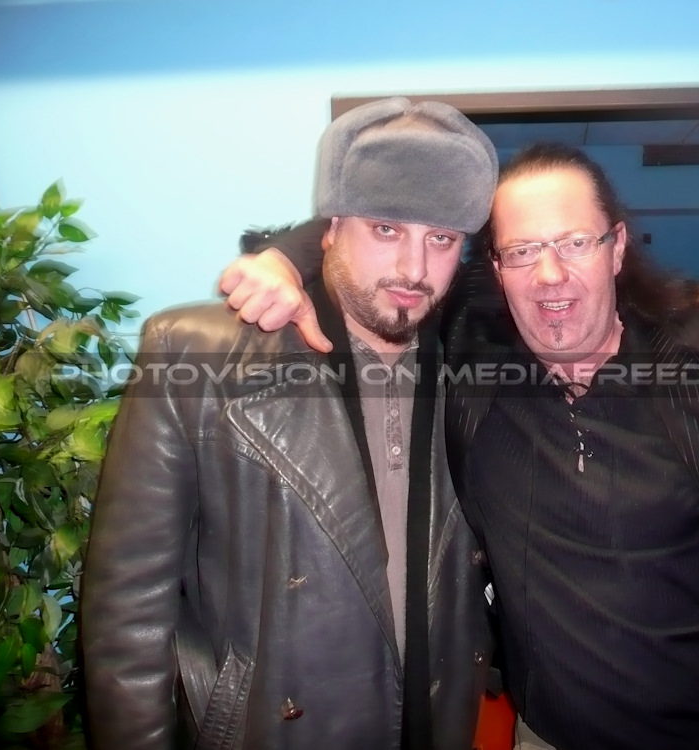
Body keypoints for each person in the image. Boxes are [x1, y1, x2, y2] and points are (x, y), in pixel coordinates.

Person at [220, 143, 699, 750]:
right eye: (522, 250)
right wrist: (285, 256)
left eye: (574, 243)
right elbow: (388, 252)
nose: (549, 273)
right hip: (550, 736)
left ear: (617, 247)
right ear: (496, 268)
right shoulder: (476, 368)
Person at [81, 97, 499, 750]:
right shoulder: (197, 353)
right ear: (331, 227)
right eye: (386, 228)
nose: (414, 270)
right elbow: (128, 609)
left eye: (440, 238)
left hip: (433, 723)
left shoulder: (472, 361)